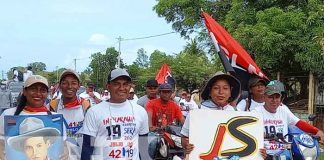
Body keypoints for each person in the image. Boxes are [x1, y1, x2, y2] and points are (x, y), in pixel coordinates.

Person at [79, 68, 149, 160]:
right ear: (108, 86)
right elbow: (88, 148)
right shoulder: (94, 112)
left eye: (125, 84)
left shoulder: (140, 111)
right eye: (116, 84)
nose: (122, 88)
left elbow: (143, 147)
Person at [0, 75, 68, 160]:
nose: (38, 93)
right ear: (24, 91)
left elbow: (64, 148)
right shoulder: (8, 114)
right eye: (33, 89)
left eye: (42, 90)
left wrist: (65, 153)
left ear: (47, 144)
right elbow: (1, 144)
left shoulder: (56, 118)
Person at [254, 81, 324, 159]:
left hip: (284, 153)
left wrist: (317, 131)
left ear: (280, 98)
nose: (274, 100)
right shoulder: (256, 112)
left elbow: (298, 123)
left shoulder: (283, 109)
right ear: (264, 97)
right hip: (264, 154)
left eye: (277, 97)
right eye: (270, 97)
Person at [180, 71, 241, 155]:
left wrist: (258, 153)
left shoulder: (236, 113)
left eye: (225, 88)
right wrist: (186, 146)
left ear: (230, 91)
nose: (221, 92)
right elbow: (184, 137)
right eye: (216, 88)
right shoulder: (197, 112)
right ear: (210, 91)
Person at [48, 69, 90, 160]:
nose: (69, 86)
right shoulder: (52, 106)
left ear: (79, 85)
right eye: (65, 83)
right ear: (59, 86)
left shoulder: (86, 106)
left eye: (74, 83)